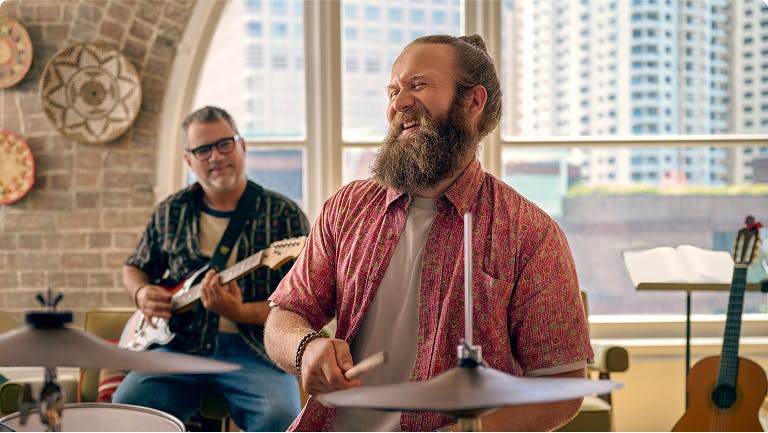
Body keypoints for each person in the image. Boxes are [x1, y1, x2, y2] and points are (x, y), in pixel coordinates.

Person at [263, 34, 594, 431]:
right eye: (393, 91)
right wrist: (306, 348)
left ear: (473, 101)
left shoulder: (531, 234)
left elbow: (563, 389)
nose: (399, 103)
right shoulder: (347, 207)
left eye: (418, 85)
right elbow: (285, 315)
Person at [113, 106, 310, 431]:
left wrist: (239, 311)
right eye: (203, 150)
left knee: (280, 417)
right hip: (178, 346)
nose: (216, 156)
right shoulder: (171, 211)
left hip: (256, 350)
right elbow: (135, 267)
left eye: (224, 144)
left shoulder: (284, 216)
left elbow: (300, 304)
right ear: (189, 161)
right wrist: (142, 292)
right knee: (126, 408)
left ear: (242, 146)